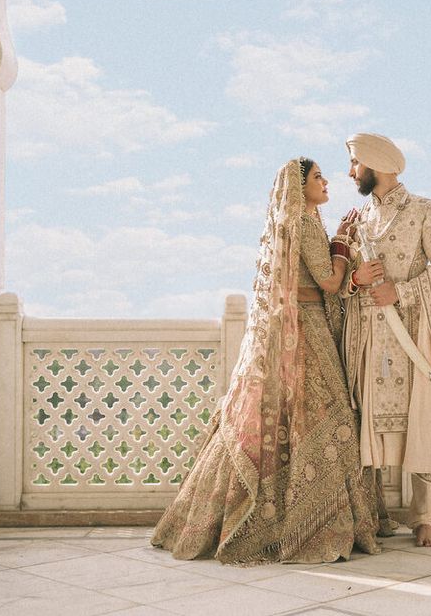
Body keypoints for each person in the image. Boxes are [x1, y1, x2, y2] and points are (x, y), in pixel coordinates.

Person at [151, 157, 380, 564]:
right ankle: (310, 524)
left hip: (301, 329)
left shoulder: (301, 222)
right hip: (307, 331)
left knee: (302, 422)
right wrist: (343, 243)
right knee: (332, 420)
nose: (326, 182)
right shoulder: (306, 224)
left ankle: (295, 517)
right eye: (317, 177)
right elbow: (328, 280)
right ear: (298, 187)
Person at [342, 132, 431, 548]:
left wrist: (402, 292)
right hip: (366, 336)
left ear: (376, 164)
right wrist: (356, 282)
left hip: (412, 336)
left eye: (355, 164)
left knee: (421, 422)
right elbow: (345, 281)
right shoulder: (358, 219)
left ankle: (424, 517)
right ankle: (373, 514)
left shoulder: (423, 211)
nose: (350, 172)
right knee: (367, 422)